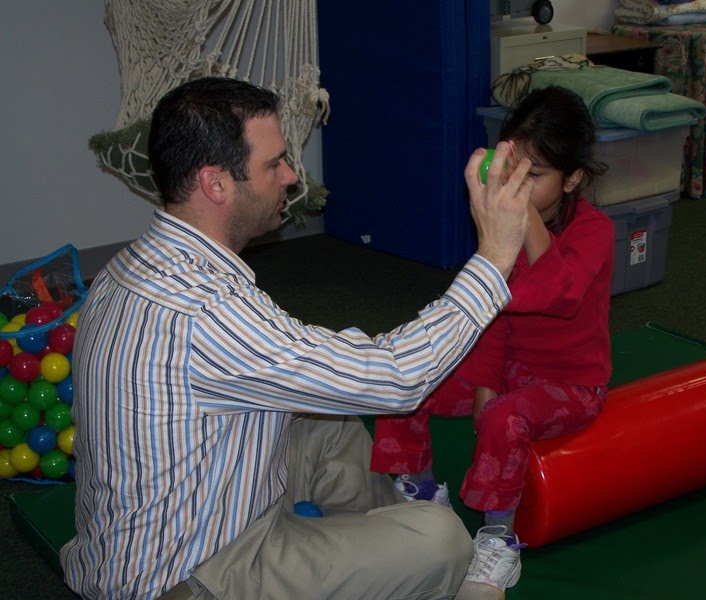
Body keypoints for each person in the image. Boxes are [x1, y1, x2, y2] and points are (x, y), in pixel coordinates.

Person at [59, 76, 534, 600]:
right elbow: (396, 378)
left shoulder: (132, 264)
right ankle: (410, 560)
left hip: (163, 531)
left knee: (333, 426)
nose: (290, 175)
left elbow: (306, 367)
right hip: (187, 579)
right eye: (274, 163)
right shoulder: (206, 309)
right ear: (216, 184)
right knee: (442, 541)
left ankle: (384, 560)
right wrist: (493, 259)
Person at [370, 85, 615, 591]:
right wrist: (484, 381)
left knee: (505, 417)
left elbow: (561, 293)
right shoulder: (501, 228)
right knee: (409, 380)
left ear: (572, 179)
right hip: (511, 368)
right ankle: (417, 495)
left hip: (572, 385)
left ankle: (498, 540)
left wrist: (520, 211)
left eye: (535, 178)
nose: (519, 188)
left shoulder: (596, 232)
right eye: (514, 172)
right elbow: (490, 315)